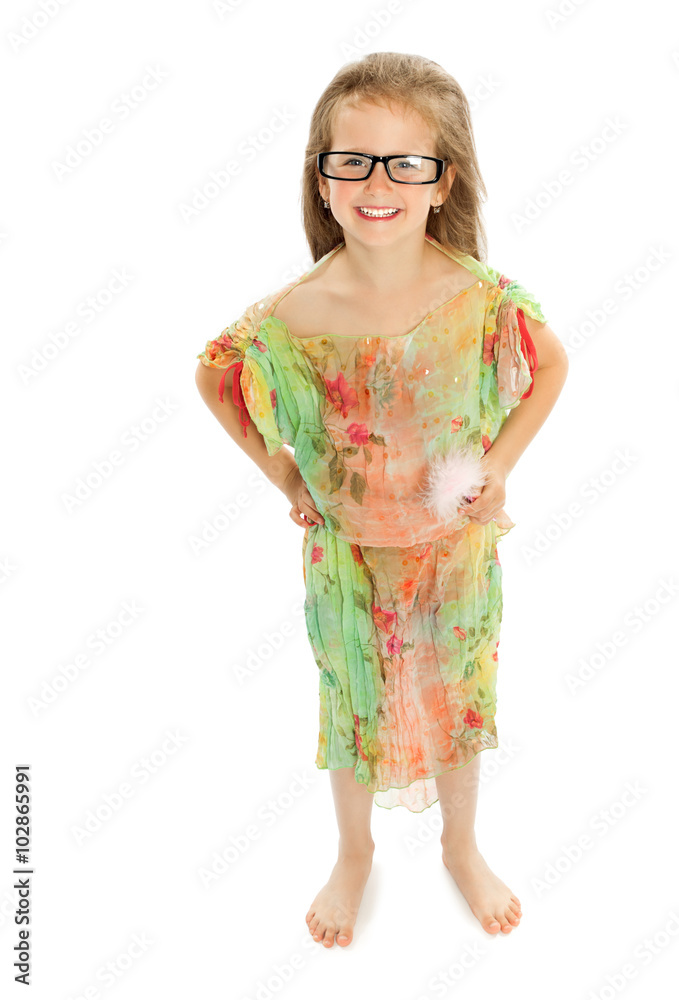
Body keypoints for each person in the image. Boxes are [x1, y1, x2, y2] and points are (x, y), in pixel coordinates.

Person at [195, 52, 569, 950]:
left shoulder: (478, 296)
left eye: (404, 164)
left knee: (458, 696)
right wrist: (286, 475)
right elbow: (215, 376)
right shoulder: (294, 314)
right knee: (351, 698)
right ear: (321, 180)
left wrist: (500, 464)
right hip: (348, 553)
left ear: (441, 182)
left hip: (452, 547)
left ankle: (460, 845)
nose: (376, 184)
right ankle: (353, 851)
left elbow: (549, 365)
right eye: (352, 161)